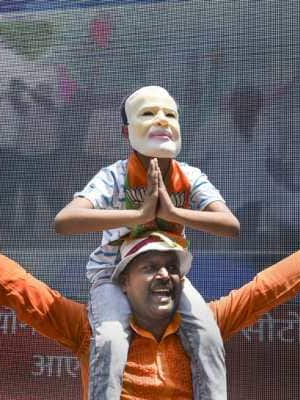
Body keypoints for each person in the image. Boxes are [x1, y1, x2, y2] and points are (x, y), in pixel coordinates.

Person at [0, 164, 300, 400]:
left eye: (172, 266)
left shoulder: (205, 325)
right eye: (149, 266)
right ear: (122, 281)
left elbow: (268, 288)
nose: (164, 274)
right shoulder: (90, 331)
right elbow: (14, 285)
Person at [53, 86, 240, 399]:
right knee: (111, 339)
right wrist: (138, 215)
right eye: (149, 114)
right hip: (113, 275)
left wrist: (172, 211)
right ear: (127, 132)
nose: (163, 121)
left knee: (208, 337)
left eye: (170, 114)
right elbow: (65, 222)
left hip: (164, 275)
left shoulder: (190, 177)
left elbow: (230, 226)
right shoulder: (114, 176)